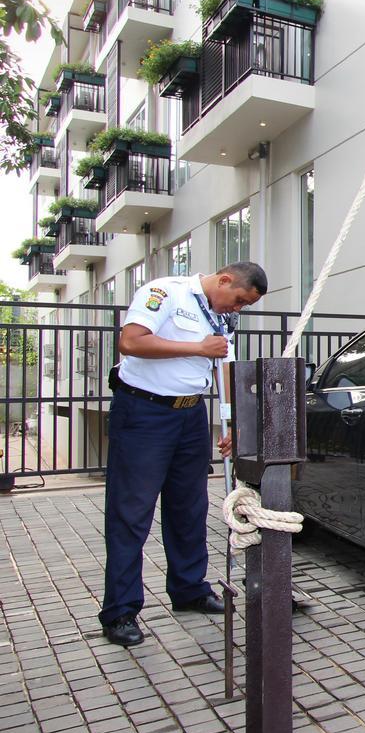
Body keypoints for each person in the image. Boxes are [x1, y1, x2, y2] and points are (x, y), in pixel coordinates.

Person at [99, 262, 268, 648]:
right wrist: (196, 347)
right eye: (239, 299)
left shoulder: (221, 315)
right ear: (224, 280)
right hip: (144, 412)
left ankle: (189, 588)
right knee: (131, 513)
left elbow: (225, 365)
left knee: (189, 508)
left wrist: (234, 426)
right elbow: (131, 342)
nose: (238, 308)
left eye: (245, 306)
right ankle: (120, 611)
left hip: (190, 414)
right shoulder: (166, 293)